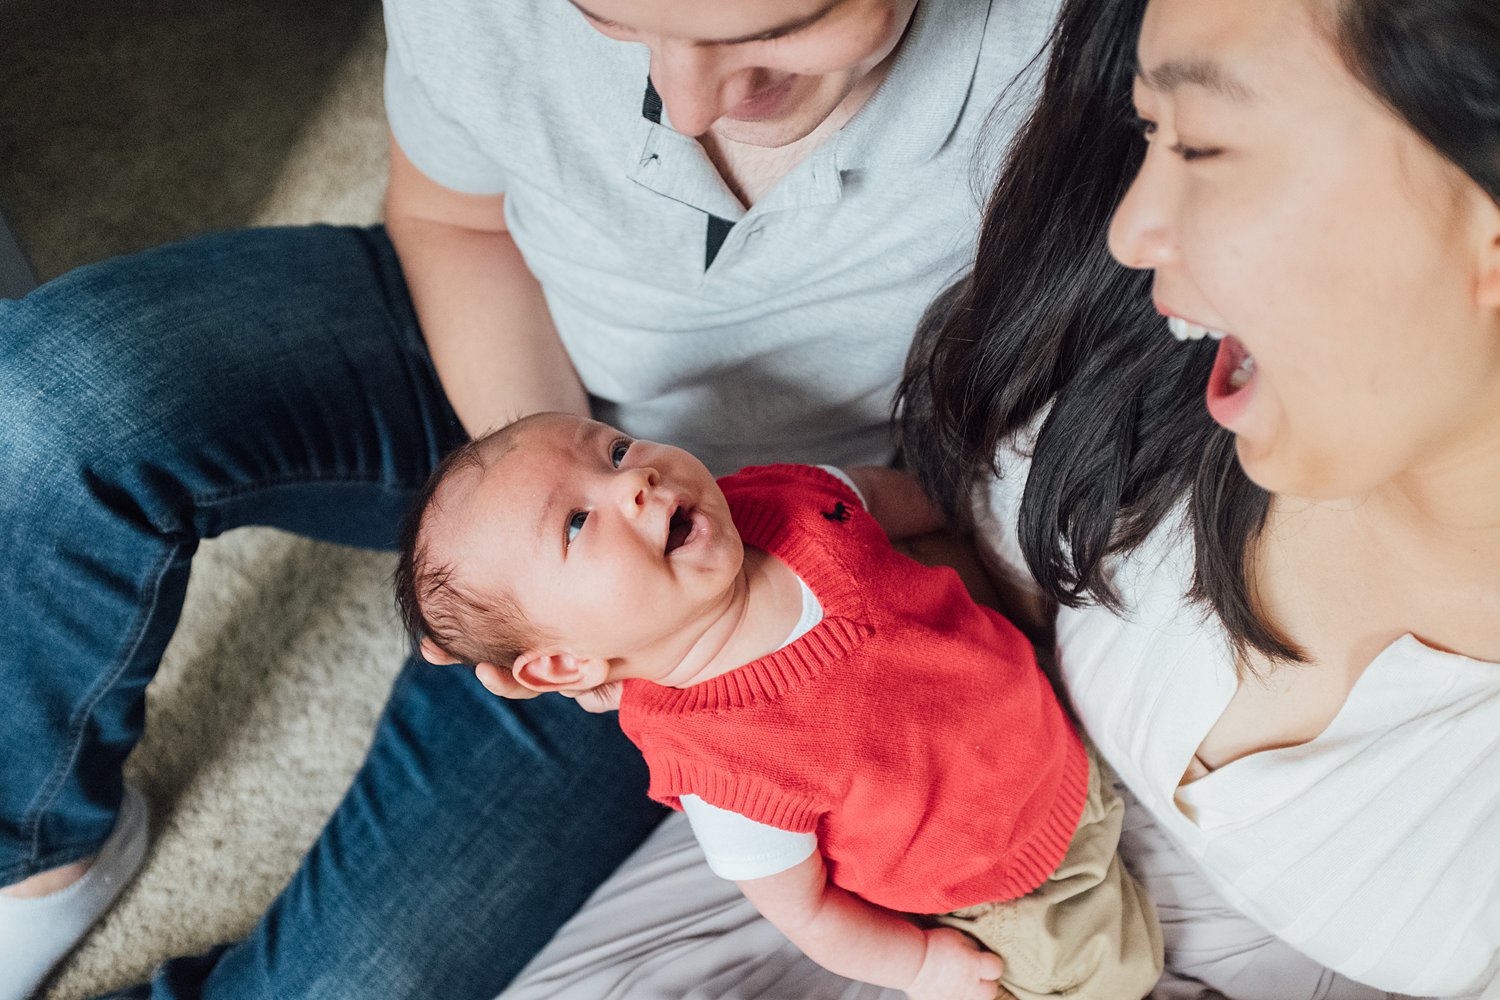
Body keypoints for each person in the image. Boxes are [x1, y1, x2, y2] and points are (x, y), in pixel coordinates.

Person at [0, 0, 1061, 996]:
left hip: (713, 587)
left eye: (778, 29)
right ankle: (41, 851)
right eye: (615, 21)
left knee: (354, 975)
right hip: (506, 357)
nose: (682, 107)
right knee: (54, 401)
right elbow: (453, 218)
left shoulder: (1070, 50)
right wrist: (527, 511)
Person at [491, 0, 1500, 997]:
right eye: (1149, 129)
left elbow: (875, 507)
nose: (1131, 230)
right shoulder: (1138, 355)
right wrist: (556, 585)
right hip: (945, 858)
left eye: (1206, 150)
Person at [392, 411, 1163, 1000]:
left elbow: (882, 499)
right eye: (576, 521)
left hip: (1043, 713)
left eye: (617, 448)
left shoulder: (774, 499)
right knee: (1121, 972)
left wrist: (961, 515)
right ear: (565, 660)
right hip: (999, 879)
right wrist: (921, 963)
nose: (635, 481)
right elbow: (810, 911)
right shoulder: (724, 769)